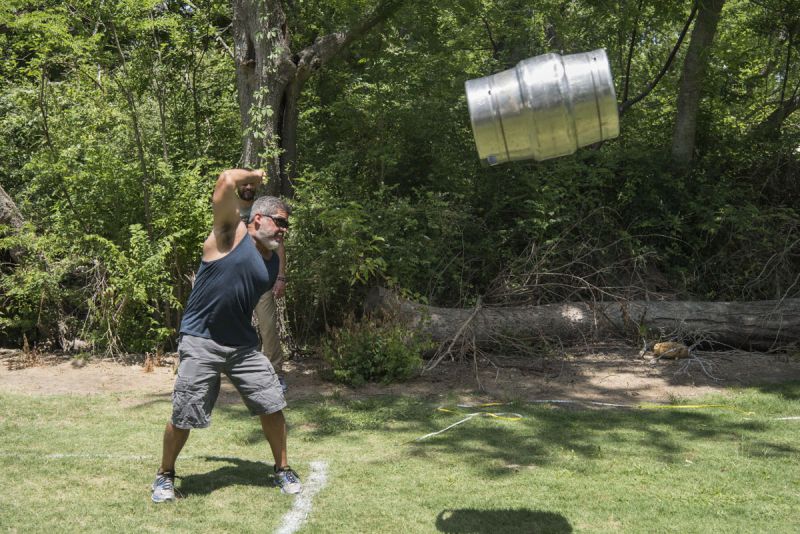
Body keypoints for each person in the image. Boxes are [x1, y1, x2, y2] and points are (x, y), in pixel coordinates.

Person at [151, 168, 301, 503]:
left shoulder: (273, 259)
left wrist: (280, 259)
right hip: (201, 338)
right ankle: (164, 476)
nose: (283, 230)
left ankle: (282, 469)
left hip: (242, 345)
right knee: (185, 412)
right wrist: (254, 176)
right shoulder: (227, 236)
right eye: (278, 222)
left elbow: (277, 251)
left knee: (272, 403)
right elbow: (225, 181)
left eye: (287, 225)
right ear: (257, 218)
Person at [236, 182, 287, 390]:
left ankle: (275, 374)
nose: (248, 187)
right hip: (238, 281)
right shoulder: (231, 210)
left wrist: (281, 276)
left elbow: (279, 244)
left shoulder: (264, 209)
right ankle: (239, 373)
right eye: (244, 184)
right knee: (236, 327)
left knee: (268, 327)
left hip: (264, 279)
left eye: (251, 184)